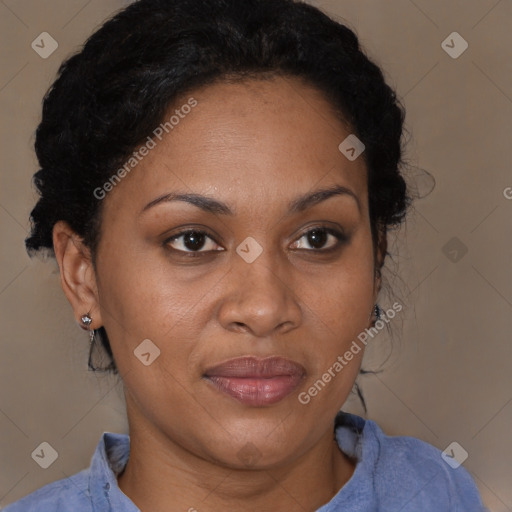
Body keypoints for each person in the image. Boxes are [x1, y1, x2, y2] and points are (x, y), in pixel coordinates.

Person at [4, 0, 486, 510]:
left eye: (317, 238)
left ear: (375, 259)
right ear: (83, 276)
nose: (263, 308)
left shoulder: (444, 494)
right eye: (192, 241)